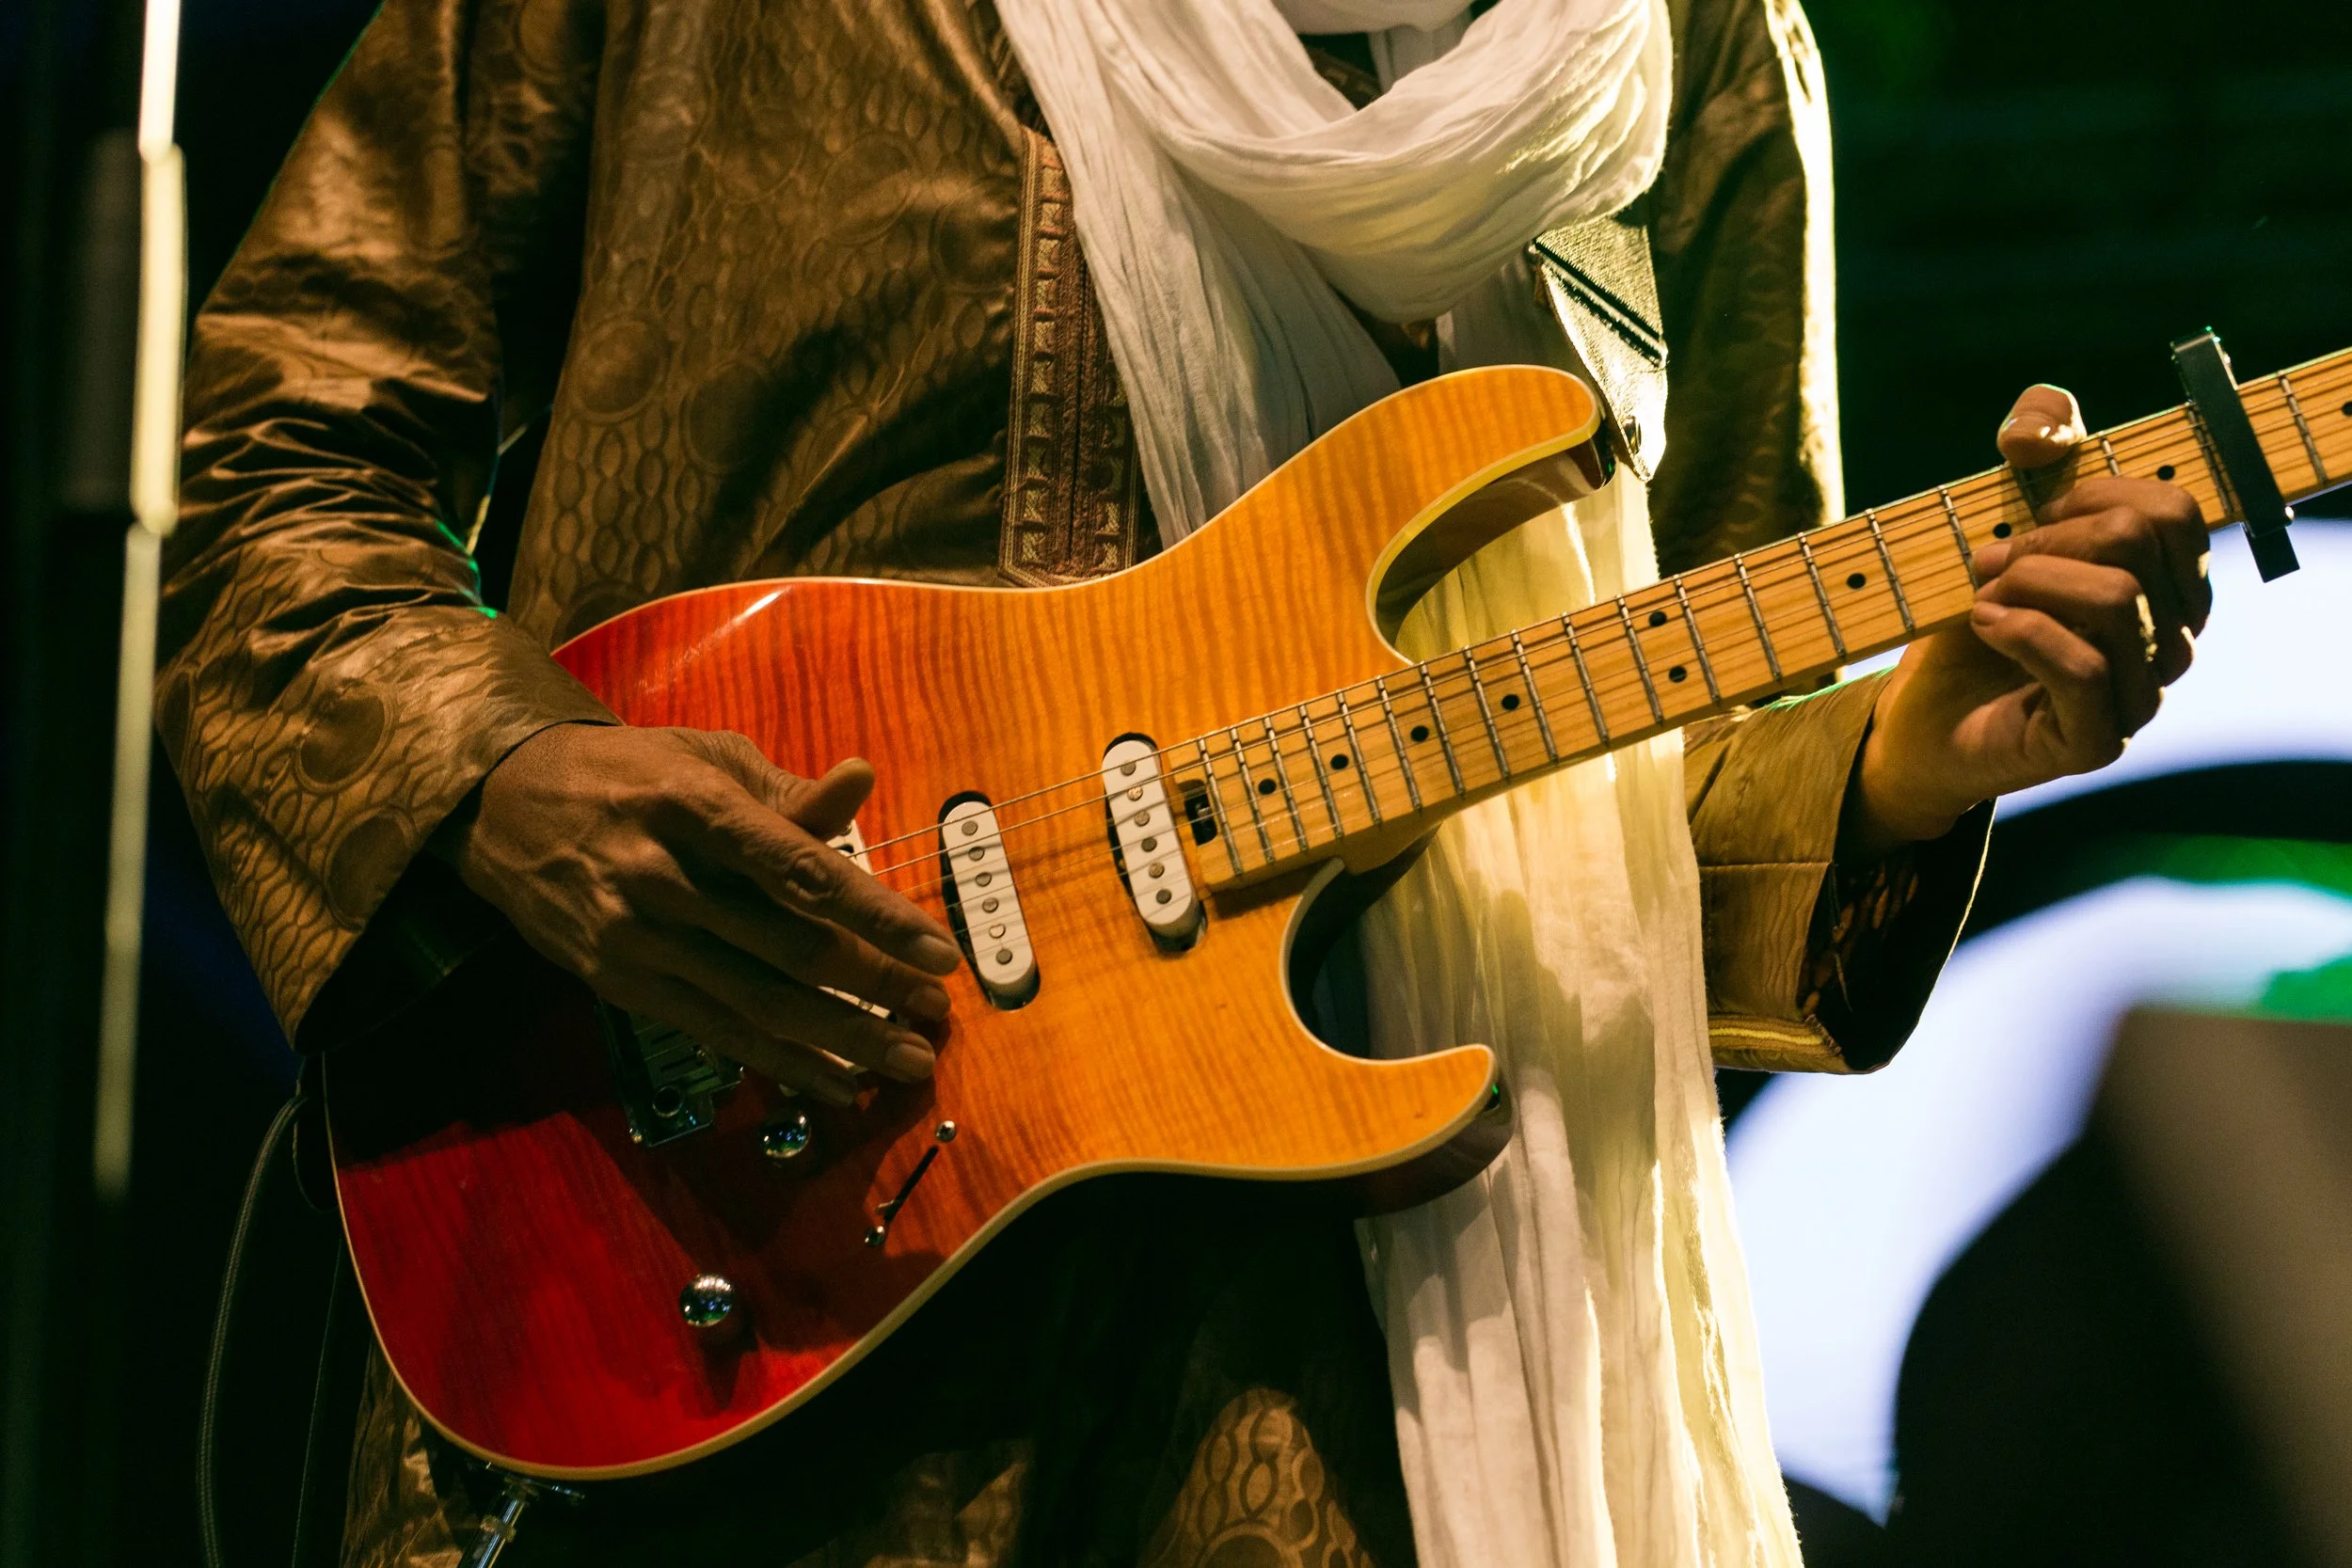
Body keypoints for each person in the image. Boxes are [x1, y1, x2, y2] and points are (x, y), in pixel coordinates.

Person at [162, 1, 2210, 1563]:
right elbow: (265, 454)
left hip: (1365, 1404)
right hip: (733, 1278)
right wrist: (496, 773)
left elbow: (1641, 830)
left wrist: (1910, 763)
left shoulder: (1680, 54)